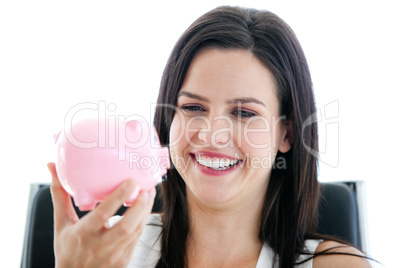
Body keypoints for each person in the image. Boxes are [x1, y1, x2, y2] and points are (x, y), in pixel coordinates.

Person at [47, 5, 372, 268]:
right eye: (192, 107)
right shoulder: (104, 252)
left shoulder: (337, 266)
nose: (211, 135)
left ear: (286, 134)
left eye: (244, 113)